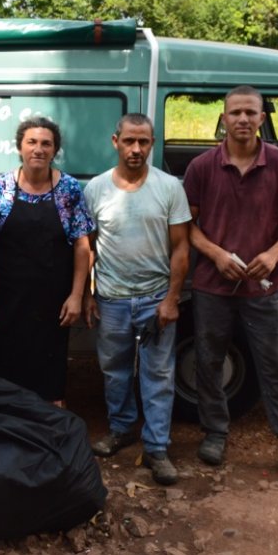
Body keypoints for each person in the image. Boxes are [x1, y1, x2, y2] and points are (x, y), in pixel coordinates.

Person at [183, 85, 278, 484]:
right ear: (223, 119)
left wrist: (274, 254)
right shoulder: (202, 167)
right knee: (209, 362)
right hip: (212, 284)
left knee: (275, 366)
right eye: (235, 112)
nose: (242, 119)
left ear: (262, 118)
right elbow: (186, 225)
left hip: (264, 287)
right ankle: (215, 432)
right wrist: (216, 254)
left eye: (250, 112)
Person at [83, 113, 191, 486]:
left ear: (152, 144)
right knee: (114, 370)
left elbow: (181, 248)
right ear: (115, 141)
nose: (136, 148)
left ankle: (157, 447)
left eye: (143, 141)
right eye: (129, 140)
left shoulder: (169, 187)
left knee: (158, 374)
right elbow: (87, 247)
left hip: (155, 298)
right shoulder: (96, 189)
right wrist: (87, 294)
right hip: (110, 299)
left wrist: (172, 299)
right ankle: (122, 428)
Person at [0, 117, 94, 405]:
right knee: (2, 373)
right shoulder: (1, 187)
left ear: (55, 150)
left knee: (49, 380)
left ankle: (47, 425)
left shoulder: (69, 189)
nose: (38, 149)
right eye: (31, 142)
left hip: (52, 304)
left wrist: (76, 296)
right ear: (20, 146)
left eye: (46, 143)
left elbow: (82, 246)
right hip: (7, 301)